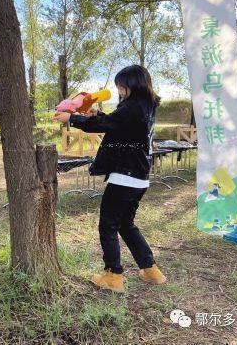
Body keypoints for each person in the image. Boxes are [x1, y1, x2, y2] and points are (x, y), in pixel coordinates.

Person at [53, 65, 166, 293]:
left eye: (121, 86)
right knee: (126, 224)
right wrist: (97, 115)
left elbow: (108, 125)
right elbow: (115, 123)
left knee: (108, 225)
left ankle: (113, 275)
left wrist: (72, 118)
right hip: (139, 176)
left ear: (131, 85)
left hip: (126, 175)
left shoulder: (133, 107)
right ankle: (150, 269)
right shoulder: (145, 106)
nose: (119, 91)